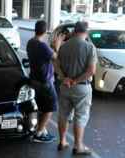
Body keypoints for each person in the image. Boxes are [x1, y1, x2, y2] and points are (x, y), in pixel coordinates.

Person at [57, 21, 97, 155]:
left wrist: (65, 78)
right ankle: (78, 146)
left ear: (75, 31)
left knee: (63, 114)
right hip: (81, 88)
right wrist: (76, 81)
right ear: (86, 32)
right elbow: (91, 71)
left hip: (65, 86)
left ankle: (62, 141)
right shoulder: (89, 47)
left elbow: (57, 66)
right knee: (80, 116)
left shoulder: (63, 47)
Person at [27, 20, 63, 143]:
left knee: (42, 107)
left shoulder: (31, 43)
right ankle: (39, 133)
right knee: (51, 107)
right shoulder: (42, 45)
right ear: (46, 31)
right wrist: (57, 46)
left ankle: (41, 130)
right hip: (44, 82)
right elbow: (56, 58)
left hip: (34, 80)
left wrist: (52, 47)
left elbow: (45, 55)